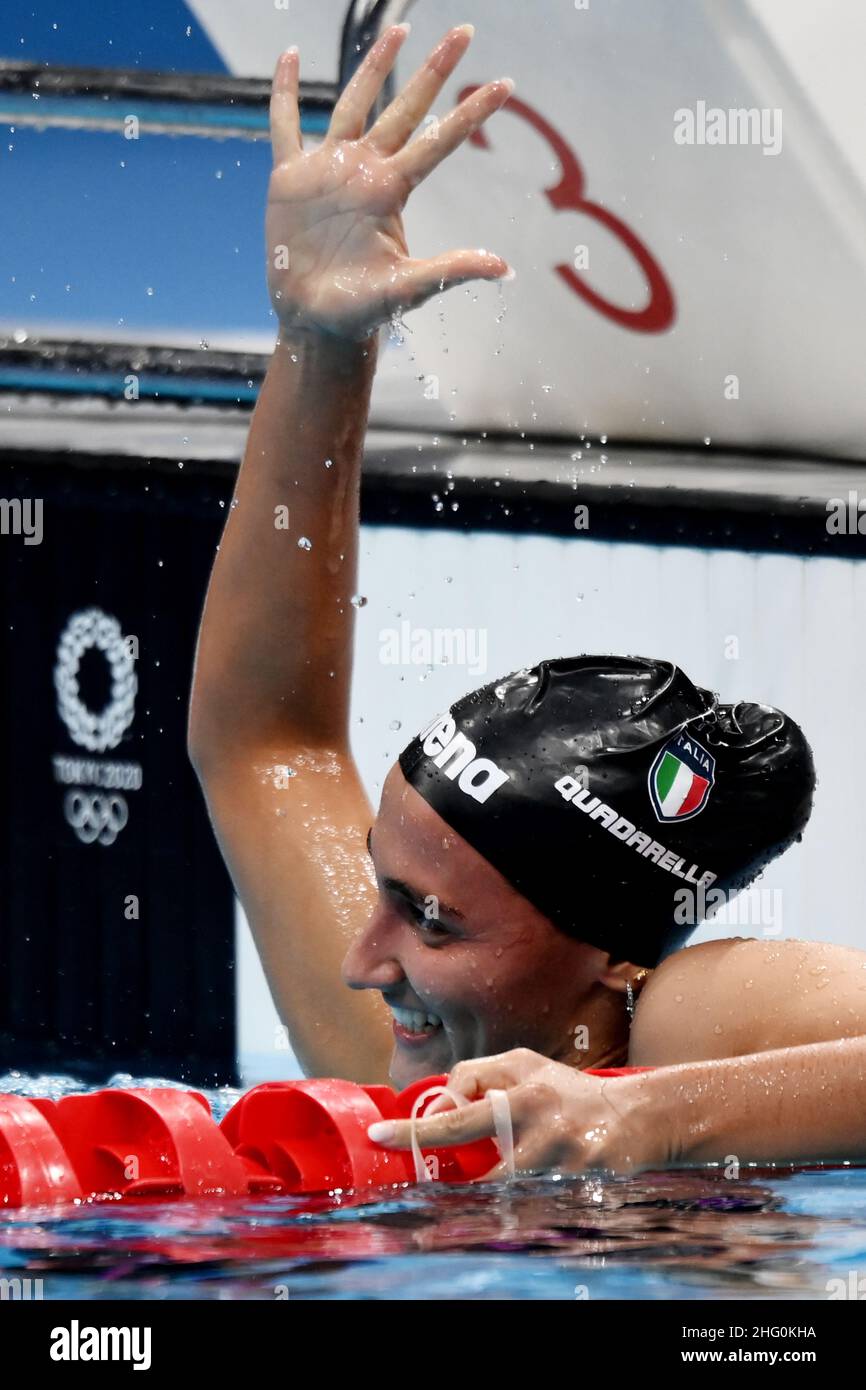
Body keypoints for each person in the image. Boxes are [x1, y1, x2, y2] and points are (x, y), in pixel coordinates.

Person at [188, 22, 866, 1175]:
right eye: (388, 890)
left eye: (434, 919)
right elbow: (266, 743)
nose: (361, 960)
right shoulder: (408, 1041)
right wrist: (318, 342)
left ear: (610, 967)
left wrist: (646, 1117)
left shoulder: (674, 1024)